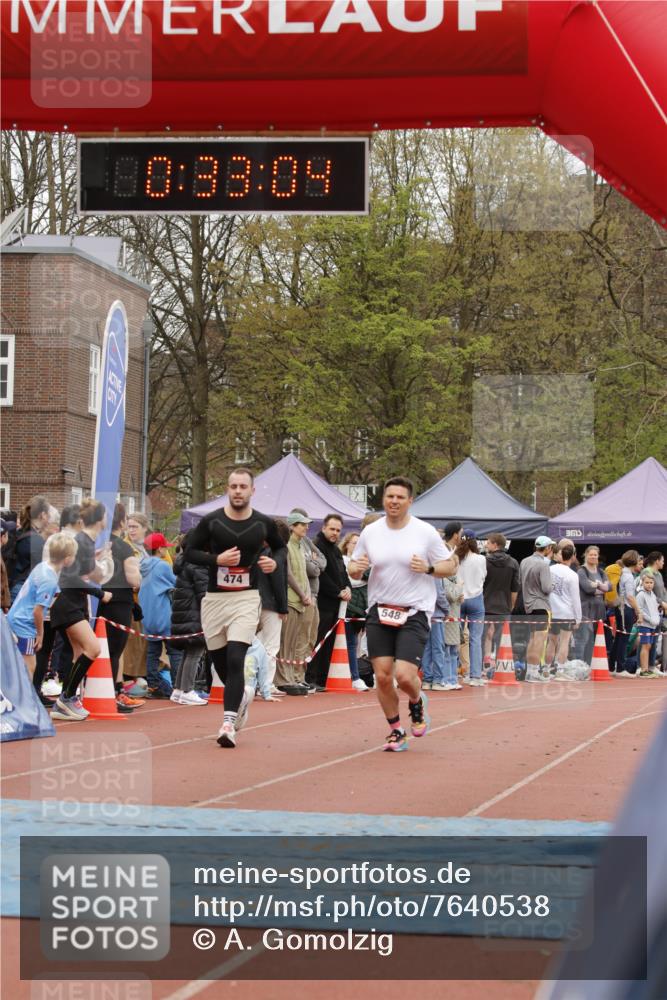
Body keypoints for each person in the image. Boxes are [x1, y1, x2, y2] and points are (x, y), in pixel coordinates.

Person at [348, 476, 458, 752]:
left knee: (405, 676)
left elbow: (451, 566)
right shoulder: (371, 532)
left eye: (400, 497)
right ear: (383, 499)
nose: (394, 501)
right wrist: (356, 567)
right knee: (383, 676)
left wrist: (430, 569)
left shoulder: (425, 533)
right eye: (389, 496)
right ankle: (396, 730)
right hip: (379, 609)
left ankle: (417, 701)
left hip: (414, 610)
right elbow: (353, 570)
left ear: (410, 501)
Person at [185, 468, 284, 748]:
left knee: (236, 658)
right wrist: (218, 560)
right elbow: (189, 552)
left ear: (252, 490)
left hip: (246, 597)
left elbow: (280, 548)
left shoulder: (263, 523)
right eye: (233, 486)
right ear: (227, 489)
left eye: (243, 486)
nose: (238, 491)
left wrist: (273, 563)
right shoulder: (212, 522)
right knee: (220, 666)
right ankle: (241, 697)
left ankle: (228, 724)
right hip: (215, 601)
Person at [49, 498, 113, 721]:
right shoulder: (82, 541)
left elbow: (81, 570)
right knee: (93, 648)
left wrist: (98, 558)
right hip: (67, 604)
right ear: (100, 519)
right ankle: (65, 698)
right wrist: (99, 593)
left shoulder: (86, 543)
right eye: (106, 515)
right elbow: (69, 578)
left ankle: (67, 700)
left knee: (79, 654)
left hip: (73, 604)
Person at [7, 532, 77, 678]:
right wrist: (40, 634)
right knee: (29, 667)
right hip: (24, 623)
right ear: (67, 559)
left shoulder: (43, 566)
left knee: (20, 666)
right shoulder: (49, 579)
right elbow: (37, 611)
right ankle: (24, 700)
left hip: (18, 618)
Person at [104, 503, 143, 709]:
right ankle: (110, 694)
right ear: (122, 521)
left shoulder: (95, 543)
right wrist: (139, 577)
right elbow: (133, 580)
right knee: (114, 651)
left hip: (95, 600)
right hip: (118, 602)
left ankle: (111, 691)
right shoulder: (124, 547)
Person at [306, 515, 352, 689]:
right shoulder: (316, 546)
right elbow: (320, 576)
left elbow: (343, 573)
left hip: (337, 605)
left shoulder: (336, 550)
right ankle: (311, 678)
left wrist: (348, 588)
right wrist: (338, 592)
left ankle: (322, 678)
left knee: (329, 642)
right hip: (322, 603)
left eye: (338, 530)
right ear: (324, 528)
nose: (335, 533)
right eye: (332, 529)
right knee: (318, 641)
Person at [170, 529, 211, 705]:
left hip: (184, 613)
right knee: (195, 651)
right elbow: (204, 594)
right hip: (195, 614)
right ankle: (187, 690)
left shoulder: (184, 562)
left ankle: (179, 689)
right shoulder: (199, 565)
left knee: (189, 652)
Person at [276, 511, 314, 693]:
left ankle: (290, 676)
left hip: (300, 601)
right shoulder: (287, 546)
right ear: (292, 526)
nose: (306, 527)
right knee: (285, 643)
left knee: (293, 643)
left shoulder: (300, 547)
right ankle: (282, 678)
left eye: (306, 524)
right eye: (301, 524)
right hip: (291, 600)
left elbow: (304, 575)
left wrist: (306, 594)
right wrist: (302, 594)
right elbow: (289, 574)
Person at [139, 545, 181, 698]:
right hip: (163, 613)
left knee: (152, 651)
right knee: (174, 651)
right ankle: (178, 686)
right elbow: (176, 583)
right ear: (160, 549)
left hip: (147, 614)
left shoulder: (141, 565)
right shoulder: (162, 565)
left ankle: (153, 685)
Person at [256, 517, 289, 698]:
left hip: (253, 600)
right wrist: (283, 607)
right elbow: (279, 580)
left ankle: (251, 681)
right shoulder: (277, 554)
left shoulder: (255, 549)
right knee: (271, 645)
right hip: (271, 603)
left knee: (253, 643)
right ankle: (266, 685)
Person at [519, 535, 555, 683]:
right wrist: (553, 585)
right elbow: (547, 588)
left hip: (528, 604)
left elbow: (520, 581)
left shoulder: (525, 561)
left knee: (533, 638)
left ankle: (530, 671)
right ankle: (533, 672)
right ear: (547, 548)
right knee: (539, 639)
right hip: (540, 604)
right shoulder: (543, 565)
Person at [482, 532, 519, 668]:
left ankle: (480, 667)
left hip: (485, 604)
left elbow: (480, 584)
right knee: (502, 639)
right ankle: (500, 666)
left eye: (488, 542)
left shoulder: (485, 561)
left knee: (481, 637)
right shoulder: (513, 563)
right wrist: (512, 605)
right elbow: (514, 588)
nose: (486, 545)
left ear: (495, 545)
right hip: (504, 605)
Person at [339, 531, 369, 692]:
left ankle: (355, 675)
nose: (356, 546)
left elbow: (368, 576)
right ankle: (354, 677)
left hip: (362, 610)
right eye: (353, 543)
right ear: (347, 544)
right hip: (348, 609)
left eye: (359, 543)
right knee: (350, 643)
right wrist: (362, 575)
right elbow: (352, 579)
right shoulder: (344, 560)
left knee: (355, 644)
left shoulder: (363, 562)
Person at [546, 542, 582, 678]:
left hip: (552, 611)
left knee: (552, 641)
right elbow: (575, 599)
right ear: (573, 556)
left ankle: (548, 668)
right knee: (564, 641)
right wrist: (578, 618)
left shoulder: (550, 569)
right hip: (566, 613)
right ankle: (560, 669)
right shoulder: (573, 575)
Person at [456, 531, 487, 686]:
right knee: (475, 639)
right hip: (476, 598)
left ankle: (455, 671)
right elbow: (483, 577)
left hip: (458, 598)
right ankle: (475, 676)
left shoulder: (456, 558)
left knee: (455, 637)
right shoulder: (481, 559)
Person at [9, 495, 50, 601]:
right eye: (48, 514)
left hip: (15, 585)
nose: (49, 518)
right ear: (43, 515)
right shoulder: (35, 540)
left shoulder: (20, 533)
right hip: (24, 589)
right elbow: (39, 571)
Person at [575, 546, 610, 664]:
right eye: (591, 554)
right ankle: (579, 665)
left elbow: (609, 587)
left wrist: (596, 585)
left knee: (594, 640)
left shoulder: (601, 571)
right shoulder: (581, 571)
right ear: (585, 555)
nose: (593, 557)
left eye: (595, 555)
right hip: (586, 611)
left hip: (599, 610)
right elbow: (587, 588)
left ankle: (590, 665)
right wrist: (600, 587)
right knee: (583, 639)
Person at [613, 550, 642, 675]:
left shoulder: (623, 573)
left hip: (620, 607)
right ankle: (620, 667)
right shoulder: (629, 576)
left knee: (620, 637)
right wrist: (638, 611)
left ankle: (612, 665)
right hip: (626, 609)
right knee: (623, 638)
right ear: (634, 561)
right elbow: (630, 596)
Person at [635, 572, 661, 677]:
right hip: (645, 625)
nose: (649, 584)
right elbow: (639, 610)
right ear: (642, 583)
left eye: (651, 582)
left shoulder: (652, 594)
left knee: (649, 646)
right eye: (647, 582)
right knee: (645, 646)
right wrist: (650, 619)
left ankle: (646, 669)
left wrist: (656, 619)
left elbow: (654, 608)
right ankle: (643, 670)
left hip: (652, 625)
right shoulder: (641, 594)